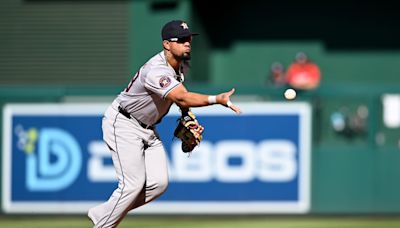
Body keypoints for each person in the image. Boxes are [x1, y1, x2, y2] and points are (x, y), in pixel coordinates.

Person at [87, 20, 241, 228]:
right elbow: (183, 97)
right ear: (167, 44)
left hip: (148, 129)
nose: (188, 43)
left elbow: (180, 98)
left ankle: (105, 212)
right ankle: (103, 224)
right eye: (181, 40)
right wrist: (217, 99)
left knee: (159, 184)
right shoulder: (156, 71)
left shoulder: (177, 67)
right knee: (132, 185)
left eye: (189, 39)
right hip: (123, 123)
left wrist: (186, 115)